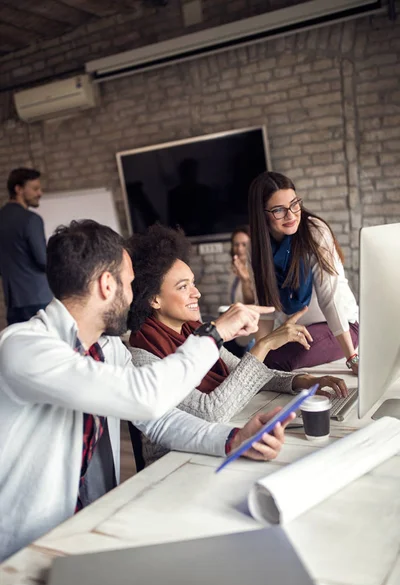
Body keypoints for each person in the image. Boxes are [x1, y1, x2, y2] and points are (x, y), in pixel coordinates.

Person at [0, 219, 294, 562]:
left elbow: (157, 418)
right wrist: (213, 335)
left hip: (87, 526)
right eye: (129, 283)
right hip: (23, 546)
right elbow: (145, 394)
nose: (132, 294)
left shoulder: (108, 350)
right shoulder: (24, 348)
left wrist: (233, 439)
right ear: (106, 285)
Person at [127, 224, 347, 467]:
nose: (197, 293)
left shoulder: (195, 333)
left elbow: (240, 370)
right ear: (154, 299)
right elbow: (210, 412)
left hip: (209, 452)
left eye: (193, 283)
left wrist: (299, 381)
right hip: (172, 465)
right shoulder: (143, 356)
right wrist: (263, 346)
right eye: (183, 287)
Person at [248, 171, 359, 373]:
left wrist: (352, 358)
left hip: (342, 328)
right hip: (300, 330)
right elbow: (265, 307)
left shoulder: (315, 231)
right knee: (259, 360)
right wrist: (257, 355)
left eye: (294, 204)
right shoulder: (258, 249)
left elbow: (330, 299)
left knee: (276, 360)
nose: (291, 215)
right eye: (279, 210)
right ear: (261, 213)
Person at [0, 168, 53, 325]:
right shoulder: (31, 220)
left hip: (13, 301)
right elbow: (43, 260)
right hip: (38, 299)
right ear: (18, 189)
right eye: (35, 188)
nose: (40, 193)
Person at [224, 225, 255, 357]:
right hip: (237, 325)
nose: (240, 249)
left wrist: (245, 280)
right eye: (236, 244)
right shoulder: (233, 271)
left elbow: (251, 302)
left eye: (244, 244)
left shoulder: (255, 269)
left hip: (252, 327)